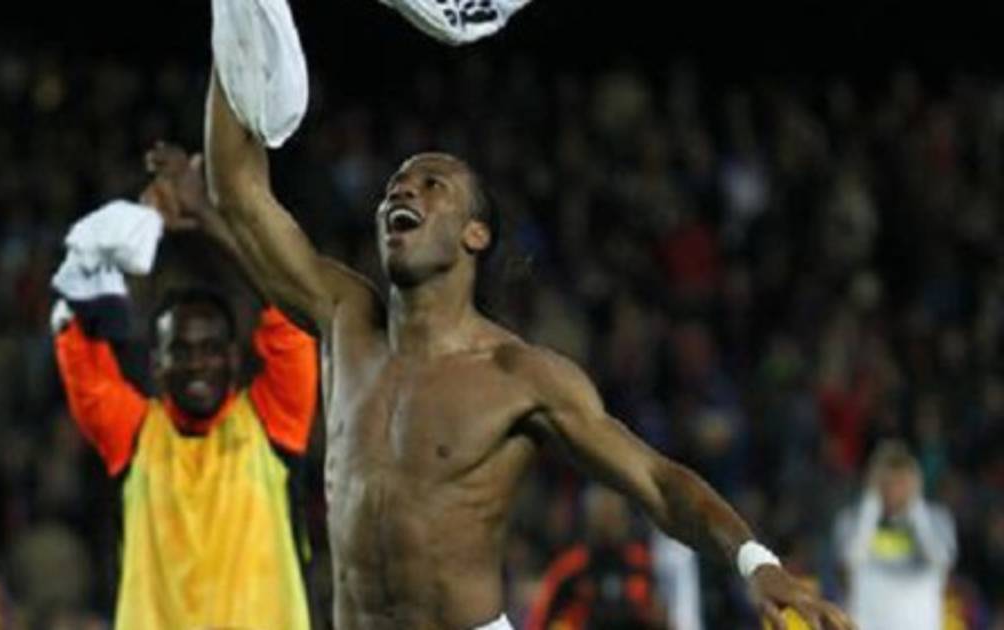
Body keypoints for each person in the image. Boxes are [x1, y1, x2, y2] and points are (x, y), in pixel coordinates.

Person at [144, 31, 854, 628]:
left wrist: (756, 563)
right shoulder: (344, 319)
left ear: (475, 234)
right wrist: (241, 18)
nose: (403, 190)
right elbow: (239, 192)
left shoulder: (520, 377)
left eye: (432, 185)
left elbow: (658, 483)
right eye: (395, 186)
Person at [50, 178, 320, 629]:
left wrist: (211, 219)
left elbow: (289, 307)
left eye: (210, 348)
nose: (197, 363)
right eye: (181, 349)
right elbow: (75, 334)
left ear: (234, 357)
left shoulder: (274, 422)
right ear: (156, 364)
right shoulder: (133, 435)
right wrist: (133, 229)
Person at [525, 485, 703, 630]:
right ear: (590, 519)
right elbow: (539, 619)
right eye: (603, 515)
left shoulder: (643, 563)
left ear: (624, 518)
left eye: (613, 515)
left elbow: (665, 614)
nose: (608, 523)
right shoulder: (570, 567)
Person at [834, 440, 956, 630]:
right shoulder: (851, 519)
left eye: (901, 482)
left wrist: (915, 510)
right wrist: (870, 508)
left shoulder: (936, 518)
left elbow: (940, 560)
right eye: (886, 482)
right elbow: (848, 562)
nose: (893, 490)